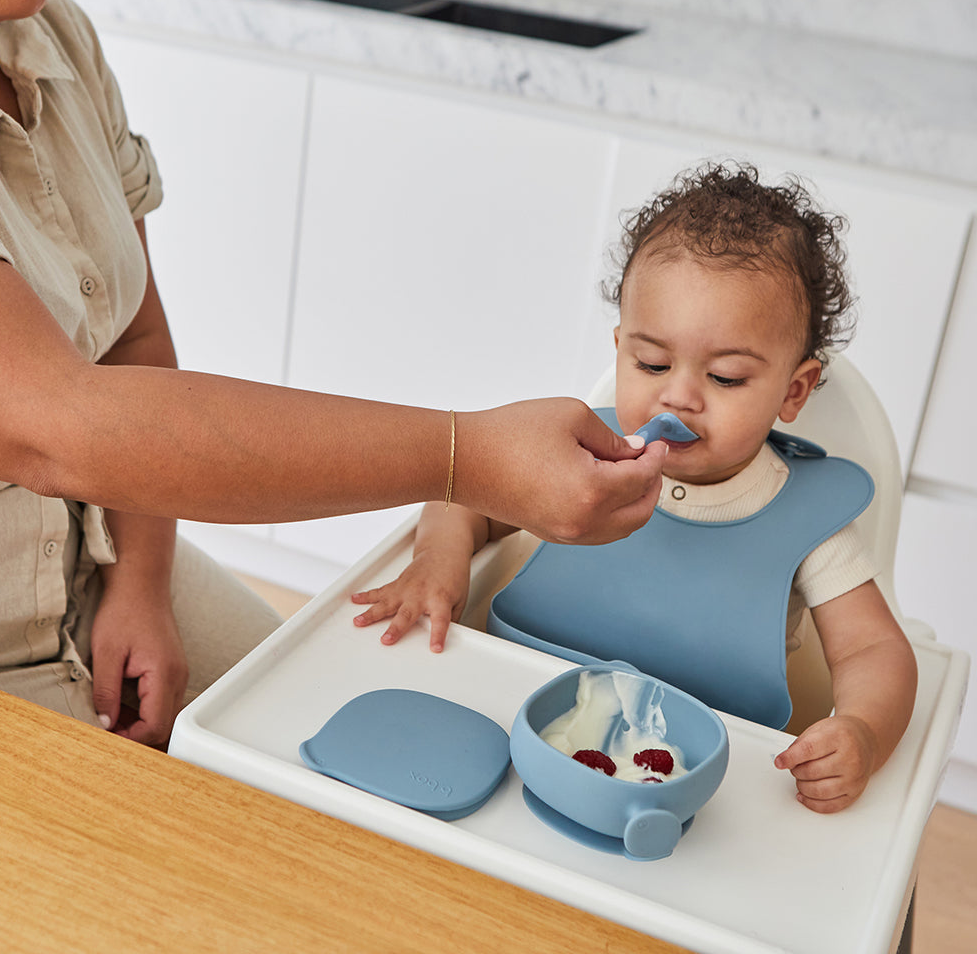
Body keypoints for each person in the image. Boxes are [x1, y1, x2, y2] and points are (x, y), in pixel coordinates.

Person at [0, 0, 666, 748]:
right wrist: (467, 456)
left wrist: (143, 582)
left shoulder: (47, 29)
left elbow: (134, 341)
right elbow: (56, 427)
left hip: (99, 567)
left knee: (350, 765)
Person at [352, 162, 918, 813]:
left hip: (697, 786)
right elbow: (462, 495)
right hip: (509, 726)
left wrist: (863, 733)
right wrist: (438, 561)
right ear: (620, 349)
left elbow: (876, 650)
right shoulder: (575, 456)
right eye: (651, 363)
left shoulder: (807, 518)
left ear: (793, 392)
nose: (677, 394)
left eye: (727, 377)